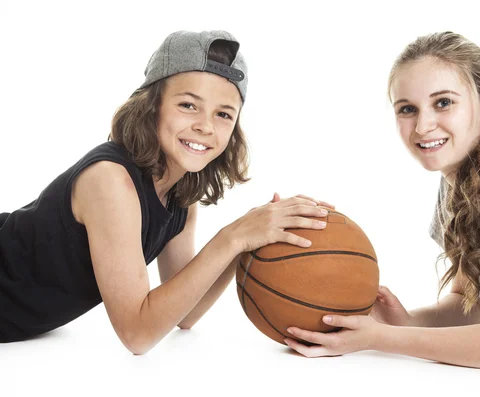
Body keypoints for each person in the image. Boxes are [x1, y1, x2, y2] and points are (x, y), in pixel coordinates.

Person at [284, 31, 480, 371]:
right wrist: (400, 323)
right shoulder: (461, 179)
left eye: (443, 102)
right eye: (407, 109)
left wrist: (379, 339)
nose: (423, 125)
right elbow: (469, 304)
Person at [0, 30, 331, 354]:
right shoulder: (111, 181)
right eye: (188, 105)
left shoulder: (180, 194)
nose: (205, 125)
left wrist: (249, 238)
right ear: (151, 105)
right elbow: (138, 333)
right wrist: (232, 237)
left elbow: (185, 313)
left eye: (224, 114)